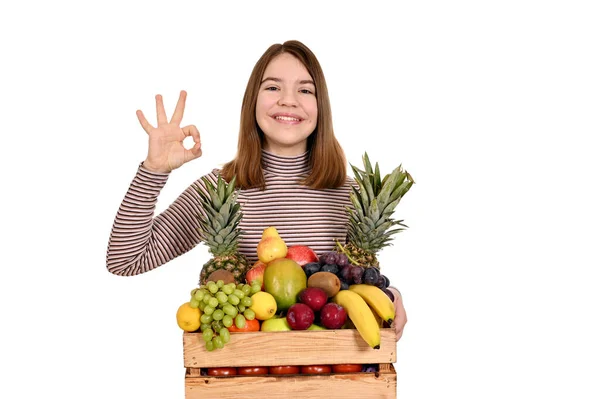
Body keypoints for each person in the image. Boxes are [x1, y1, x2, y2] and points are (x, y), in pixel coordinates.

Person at [106, 40, 407, 341]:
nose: (288, 101)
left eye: (305, 90)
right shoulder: (220, 190)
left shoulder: (351, 195)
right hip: (245, 374)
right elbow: (125, 260)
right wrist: (154, 170)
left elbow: (357, 285)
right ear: (253, 100)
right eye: (273, 88)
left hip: (331, 377)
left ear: (321, 107)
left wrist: (389, 294)